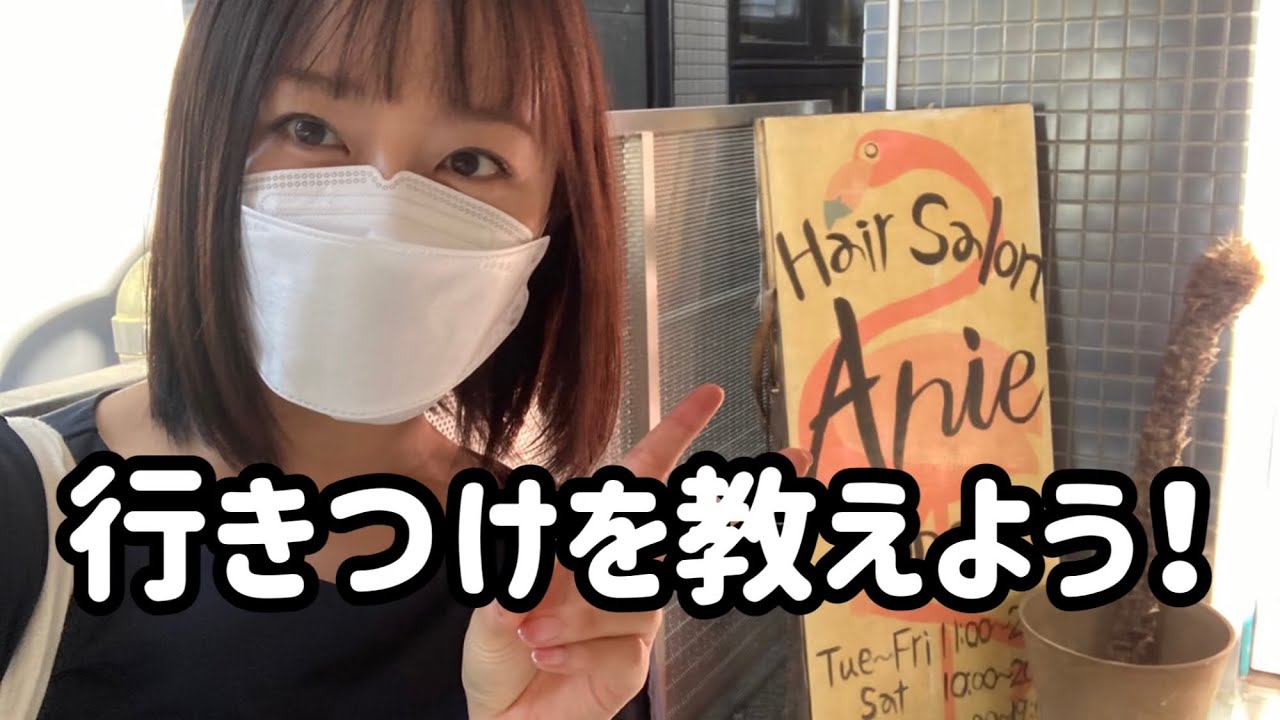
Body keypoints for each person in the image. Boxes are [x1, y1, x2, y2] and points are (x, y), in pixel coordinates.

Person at [0, 1, 808, 718]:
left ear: (549, 225)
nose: (382, 218)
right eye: (309, 129)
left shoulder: (543, 576)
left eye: (470, 162)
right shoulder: (27, 516)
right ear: (202, 141)